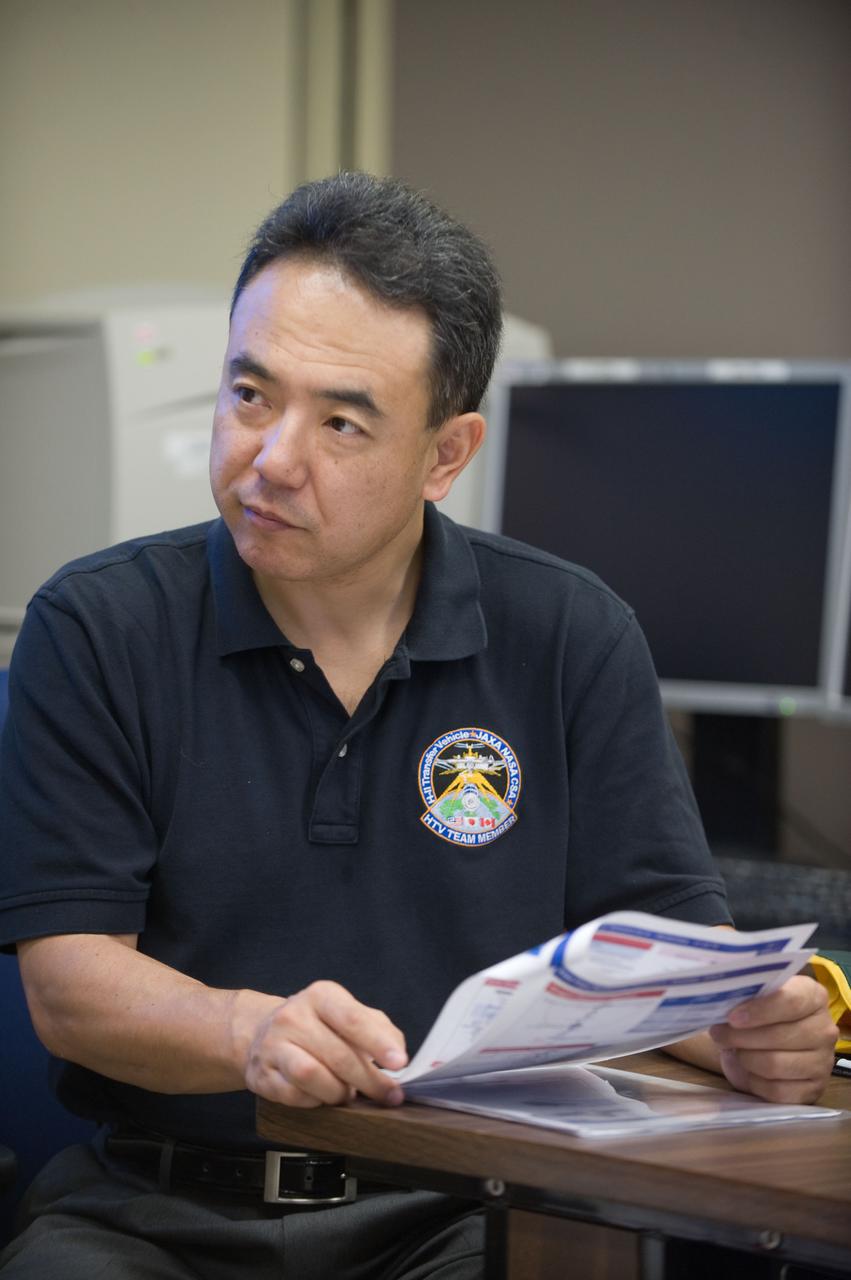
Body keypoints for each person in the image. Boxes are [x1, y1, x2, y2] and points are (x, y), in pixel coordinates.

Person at [0, 172, 836, 1278]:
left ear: (445, 454)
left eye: (340, 421)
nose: (271, 458)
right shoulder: (96, 626)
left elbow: (653, 963)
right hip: (151, 1210)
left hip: (457, 1214)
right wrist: (249, 1031)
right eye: (251, 394)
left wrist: (743, 1024)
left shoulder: (569, 634)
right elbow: (70, 986)